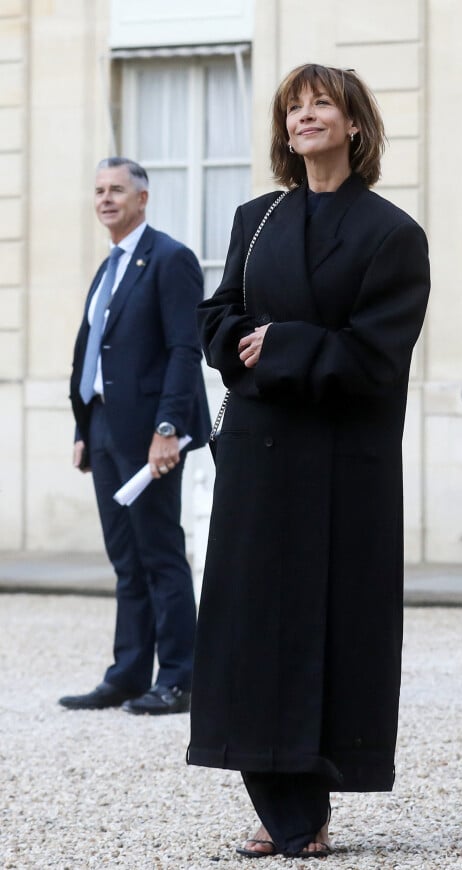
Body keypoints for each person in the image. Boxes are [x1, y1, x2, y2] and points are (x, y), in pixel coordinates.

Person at [186, 64, 430, 858]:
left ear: (356, 125)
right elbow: (218, 315)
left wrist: (279, 344)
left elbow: (377, 356)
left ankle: (307, 810)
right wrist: (240, 343)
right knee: (251, 631)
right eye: (294, 108)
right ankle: (281, 805)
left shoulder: (393, 235)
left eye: (321, 104)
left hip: (340, 469)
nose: (305, 117)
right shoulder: (256, 218)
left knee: (326, 629)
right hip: (259, 461)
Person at [61, 157, 210, 715]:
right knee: (126, 559)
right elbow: (92, 353)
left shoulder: (169, 259)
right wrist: (83, 427)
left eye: (117, 190)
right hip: (103, 429)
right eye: (98, 189)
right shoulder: (109, 268)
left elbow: (183, 349)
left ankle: (178, 678)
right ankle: (127, 674)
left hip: (150, 436)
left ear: (142, 198)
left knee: (160, 555)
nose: (105, 199)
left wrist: (168, 428)